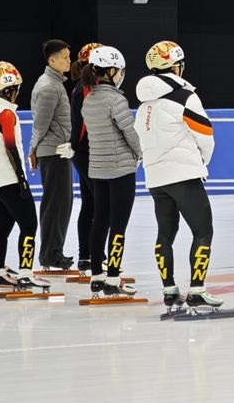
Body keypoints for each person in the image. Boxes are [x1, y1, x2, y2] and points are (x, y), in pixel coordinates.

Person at [135, 41, 224, 314]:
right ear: (176, 67)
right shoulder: (186, 97)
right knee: (203, 230)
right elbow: (205, 136)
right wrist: (201, 164)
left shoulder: (144, 106)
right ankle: (197, 290)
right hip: (184, 175)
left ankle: (170, 290)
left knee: (165, 234)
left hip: (155, 178)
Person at [0, 62, 49, 292]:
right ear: (7, 90)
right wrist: (21, 178)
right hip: (8, 178)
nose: (18, 92)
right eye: (16, 88)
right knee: (29, 225)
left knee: (4, 226)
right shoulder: (5, 112)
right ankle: (26, 273)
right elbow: (10, 146)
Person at [82, 46, 142, 298]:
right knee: (118, 225)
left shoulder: (89, 98)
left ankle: (97, 276)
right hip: (120, 171)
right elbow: (130, 133)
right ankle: (114, 277)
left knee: (100, 222)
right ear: (112, 70)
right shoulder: (117, 99)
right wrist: (139, 154)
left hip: (97, 170)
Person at [28, 39, 75, 271]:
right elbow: (40, 123)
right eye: (65, 56)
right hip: (53, 151)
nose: (69, 60)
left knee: (62, 204)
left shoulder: (54, 83)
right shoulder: (49, 86)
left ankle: (54, 252)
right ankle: (50, 255)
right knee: (56, 205)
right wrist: (33, 149)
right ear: (52, 60)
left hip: (58, 151)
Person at [68, 43, 102, 274]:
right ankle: (96, 257)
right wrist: (77, 145)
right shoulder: (88, 87)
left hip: (82, 153)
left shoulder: (79, 86)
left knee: (90, 206)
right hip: (88, 152)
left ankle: (86, 257)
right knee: (100, 206)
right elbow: (83, 124)